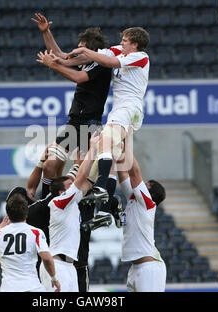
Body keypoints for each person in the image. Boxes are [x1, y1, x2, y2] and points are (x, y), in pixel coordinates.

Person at [31, 13, 112, 199]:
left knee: (80, 178)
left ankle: (77, 210)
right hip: (74, 123)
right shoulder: (86, 62)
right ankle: (47, 204)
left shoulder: (101, 65)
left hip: (89, 125)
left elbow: (77, 77)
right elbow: (61, 56)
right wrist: (46, 32)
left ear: (91, 51)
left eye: (81, 48)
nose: (77, 50)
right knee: (50, 165)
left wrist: (53, 66)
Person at [66, 27, 151, 203]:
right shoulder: (118, 51)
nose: (121, 43)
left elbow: (109, 63)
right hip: (125, 112)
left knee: (104, 143)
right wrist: (60, 59)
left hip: (128, 108)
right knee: (116, 155)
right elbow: (89, 58)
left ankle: (100, 186)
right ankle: (106, 208)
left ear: (135, 44)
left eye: (125, 41)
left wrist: (83, 49)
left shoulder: (141, 56)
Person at [39, 132, 101, 292]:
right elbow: (81, 179)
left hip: (69, 266)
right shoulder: (58, 202)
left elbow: (88, 182)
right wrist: (92, 149)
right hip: (56, 266)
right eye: (69, 184)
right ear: (61, 191)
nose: (73, 184)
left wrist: (105, 156)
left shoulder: (71, 202)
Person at [0, 193, 61, 292]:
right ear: (26, 212)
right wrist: (54, 278)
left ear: (8, 214)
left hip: (8, 288)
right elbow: (46, 258)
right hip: (32, 287)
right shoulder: (36, 232)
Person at [116, 148, 167, 292]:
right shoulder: (134, 200)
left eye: (146, 183)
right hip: (136, 268)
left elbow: (134, 172)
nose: (142, 183)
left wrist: (126, 144)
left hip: (149, 269)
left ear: (149, 191)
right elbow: (123, 174)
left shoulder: (148, 203)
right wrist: (118, 153)